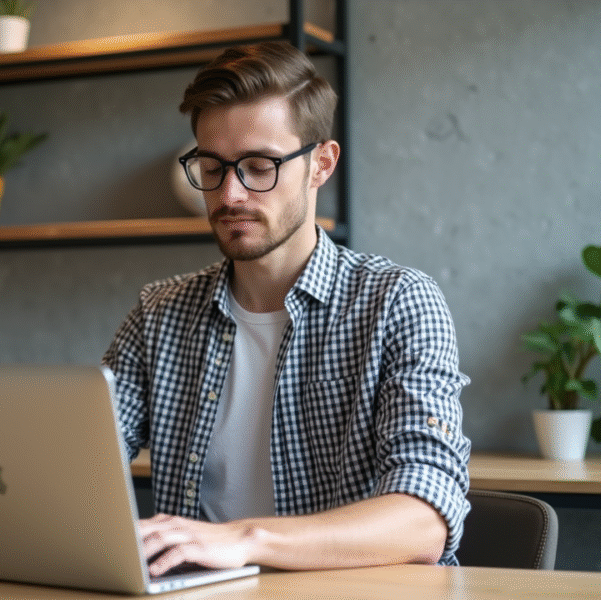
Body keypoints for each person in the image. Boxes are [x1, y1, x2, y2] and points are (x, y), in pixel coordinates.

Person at [101, 41, 471, 576]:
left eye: (258, 166)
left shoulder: (397, 302)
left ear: (321, 164)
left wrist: (245, 539)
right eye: (212, 167)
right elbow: (80, 470)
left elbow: (424, 518)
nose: (230, 194)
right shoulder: (160, 312)